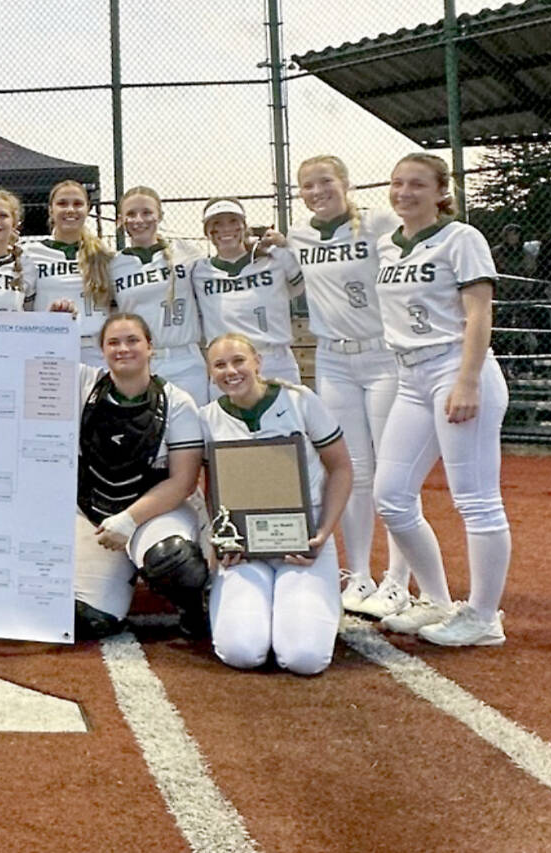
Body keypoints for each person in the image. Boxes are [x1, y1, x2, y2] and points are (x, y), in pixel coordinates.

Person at [372, 153, 511, 647]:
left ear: (439, 192)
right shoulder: (389, 245)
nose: (404, 192)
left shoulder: (461, 238)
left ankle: (483, 616)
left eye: (416, 184)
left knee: (475, 499)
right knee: (389, 495)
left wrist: (468, 380)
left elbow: (478, 313)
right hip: (410, 376)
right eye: (397, 183)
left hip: (455, 366)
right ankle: (433, 598)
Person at [269, 155, 411, 618]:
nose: (316, 191)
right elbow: (284, 277)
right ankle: (362, 574)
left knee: (394, 472)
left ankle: (398, 580)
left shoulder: (378, 222)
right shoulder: (301, 235)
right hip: (332, 358)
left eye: (325, 182)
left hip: (383, 354)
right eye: (307, 186)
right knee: (353, 469)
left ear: (346, 184)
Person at [200, 334, 353, 675]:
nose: (231, 371)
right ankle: (264, 608)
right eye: (220, 365)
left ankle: (310, 606)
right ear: (210, 373)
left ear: (257, 362)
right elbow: (213, 489)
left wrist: (323, 534)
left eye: (239, 360)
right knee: (241, 651)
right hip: (245, 549)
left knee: (304, 658)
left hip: (304, 542)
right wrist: (222, 539)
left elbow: (341, 468)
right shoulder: (207, 418)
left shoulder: (300, 401)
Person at [73, 312, 208, 640]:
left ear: (150, 347)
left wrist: (129, 520)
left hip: (155, 511)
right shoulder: (83, 385)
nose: (123, 349)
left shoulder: (178, 402)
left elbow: (183, 481)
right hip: (95, 513)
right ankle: (121, 574)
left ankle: (193, 609)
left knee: (172, 560)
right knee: (89, 622)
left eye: (133, 340)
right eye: (113, 342)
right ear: (101, 350)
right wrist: (56, 326)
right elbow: (35, 359)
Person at [191, 198, 304, 388]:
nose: (226, 229)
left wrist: (281, 246)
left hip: (275, 359)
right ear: (207, 232)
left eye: (233, 221)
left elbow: (299, 284)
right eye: (217, 223)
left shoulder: (274, 261)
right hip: (227, 365)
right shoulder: (199, 271)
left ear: (244, 226)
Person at [109, 186, 207, 404]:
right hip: (142, 362)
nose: (139, 220)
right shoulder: (113, 264)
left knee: (194, 432)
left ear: (160, 215)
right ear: (120, 220)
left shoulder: (186, 252)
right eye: (131, 214)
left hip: (186, 358)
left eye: (147, 212)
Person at [23, 180, 114, 365]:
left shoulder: (105, 255)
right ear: (50, 209)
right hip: (49, 347)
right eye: (62, 203)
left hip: (96, 350)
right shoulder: (30, 253)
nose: (70, 209)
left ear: (88, 209)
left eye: (78, 204)